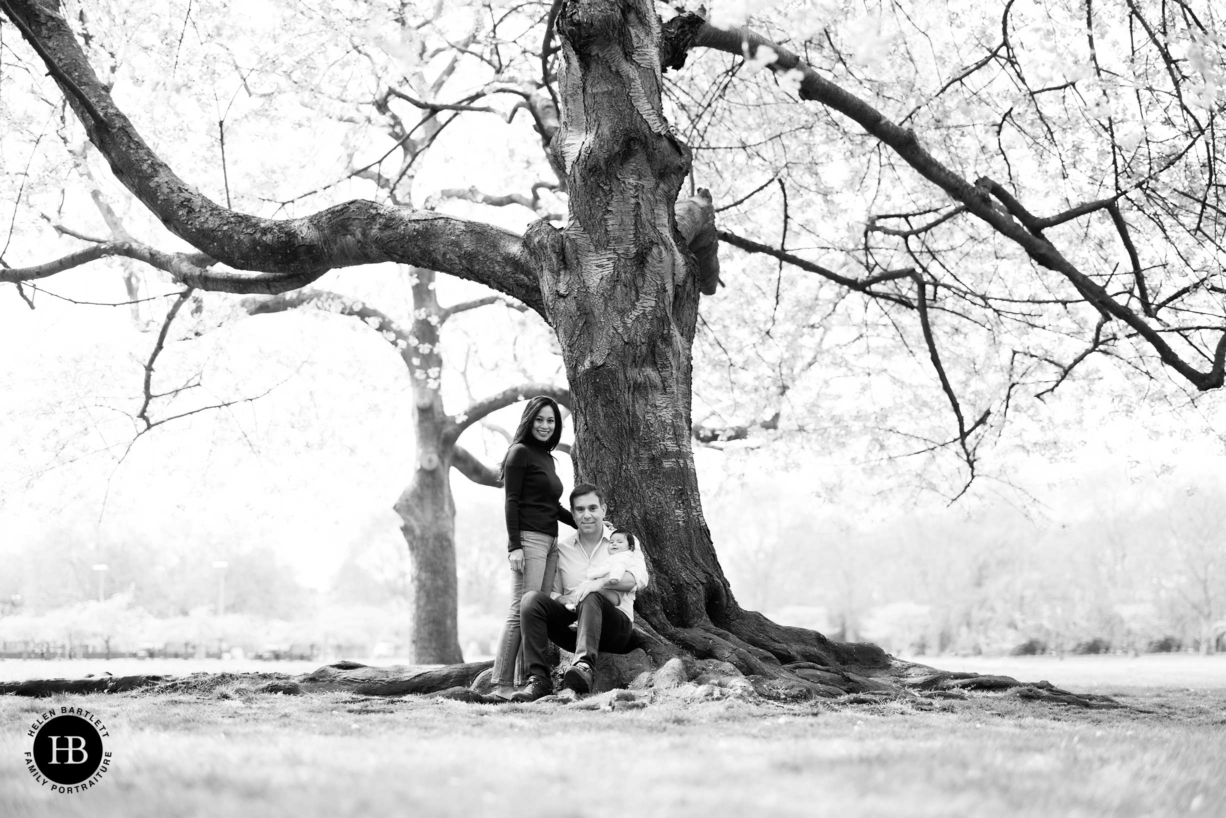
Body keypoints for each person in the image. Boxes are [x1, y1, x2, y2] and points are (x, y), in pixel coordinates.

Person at [512, 484, 648, 701]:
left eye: (593, 508)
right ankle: (538, 680)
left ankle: (583, 666)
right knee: (531, 600)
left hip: (616, 629)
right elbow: (553, 593)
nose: (587, 515)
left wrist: (598, 584)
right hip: (574, 630)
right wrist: (565, 598)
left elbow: (639, 579)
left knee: (592, 594)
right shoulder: (562, 550)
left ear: (603, 509)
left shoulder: (622, 541)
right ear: (572, 514)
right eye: (580, 509)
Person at [490, 396, 576, 700]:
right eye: (539, 419)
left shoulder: (547, 458)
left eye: (550, 421)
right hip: (529, 540)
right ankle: (500, 684)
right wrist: (515, 546)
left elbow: (553, 506)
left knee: (534, 614)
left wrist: (587, 525)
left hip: (551, 542)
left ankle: (527, 681)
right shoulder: (519, 453)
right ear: (529, 420)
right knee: (518, 610)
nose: (545, 425)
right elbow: (511, 500)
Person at [566, 528, 638, 628]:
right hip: (608, 591)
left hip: (614, 594)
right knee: (586, 590)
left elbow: (619, 567)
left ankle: (579, 616)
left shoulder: (624, 557)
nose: (614, 544)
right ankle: (578, 613)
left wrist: (615, 577)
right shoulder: (612, 558)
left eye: (619, 542)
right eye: (611, 542)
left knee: (590, 593)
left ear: (630, 547)